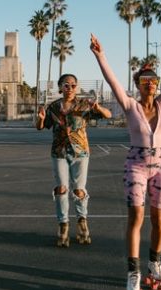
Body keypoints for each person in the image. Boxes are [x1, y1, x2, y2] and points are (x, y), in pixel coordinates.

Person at [90, 27, 161, 290]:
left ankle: (155, 264)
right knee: (137, 218)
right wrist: (101, 56)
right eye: (145, 79)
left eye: (153, 79)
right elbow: (112, 82)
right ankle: (133, 272)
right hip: (137, 165)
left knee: (159, 219)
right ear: (138, 83)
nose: (150, 83)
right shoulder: (130, 105)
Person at [36, 73, 112, 247]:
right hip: (59, 152)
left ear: (76, 87)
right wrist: (40, 119)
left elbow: (107, 115)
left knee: (79, 189)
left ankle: (82, 222)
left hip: (81, 152)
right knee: (61, 189)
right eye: (66, 85)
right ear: (60, 87)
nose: (70, 88)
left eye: (73, 85)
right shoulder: (53, 107)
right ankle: (63, 225)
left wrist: (98, 108)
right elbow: (41, 127)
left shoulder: (84, 105)